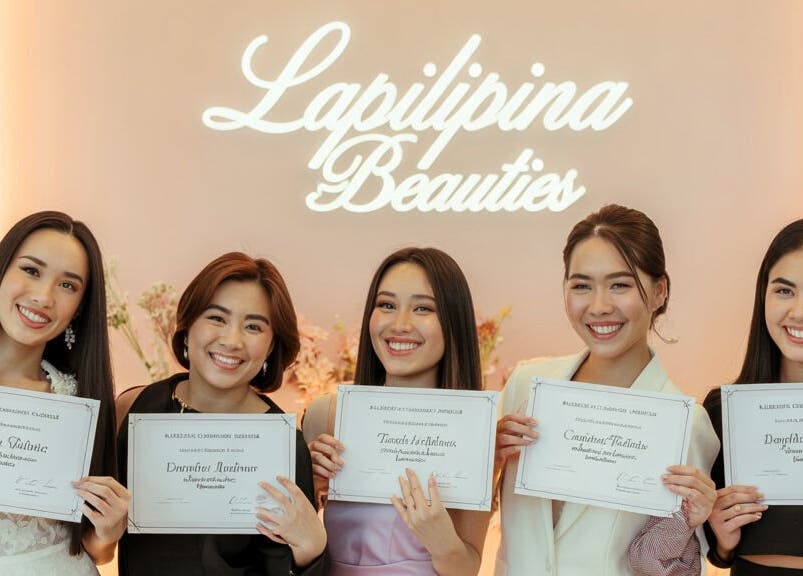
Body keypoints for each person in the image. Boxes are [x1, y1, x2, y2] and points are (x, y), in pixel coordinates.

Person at [495, 204, 720, 576]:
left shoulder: (685, 422)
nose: (599, 306)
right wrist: (491, 461)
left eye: (620, 285)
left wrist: (689, 522)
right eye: (582, 285)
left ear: (659, 291)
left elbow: (671, 567)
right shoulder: (527, 384)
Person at [115, 252, 328, 575]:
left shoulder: (281, 443)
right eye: (216, 318)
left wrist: (310, 547)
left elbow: (283, 564)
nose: (232, 340)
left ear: (271, 346)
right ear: (188, 326)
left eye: (253, 326)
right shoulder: (135, 409)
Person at [302, 247, 490, 576]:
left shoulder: (476, 429)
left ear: (452, 321)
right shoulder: (325, 416)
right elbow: (292, 548)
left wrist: (441, 539)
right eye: (387, 305)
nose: (400, 324)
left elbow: (467, 568)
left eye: (423, 308)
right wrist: (308, 484)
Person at [0, 211, 129, 575]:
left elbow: (94, 550)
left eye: (68, 285)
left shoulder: (77, 403)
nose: (43, 296)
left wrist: (109, 530)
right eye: (31, 270)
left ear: (79, 310)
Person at [703, 218, 803, 575]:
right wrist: (722, 536)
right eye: (784, 290)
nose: (799, 312)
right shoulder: (723, 412)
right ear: (764, 294)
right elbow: (717, 553)